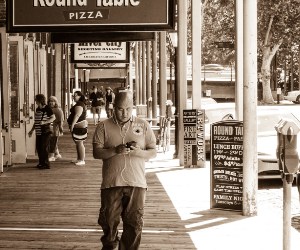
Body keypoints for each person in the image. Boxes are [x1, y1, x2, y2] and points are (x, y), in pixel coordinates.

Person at [93, 90, 157, 250]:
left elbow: (153, 151)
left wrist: (138, 152)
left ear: (133, 107)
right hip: (111, 182)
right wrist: (115, 150)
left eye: (128, 109)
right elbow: (96, 153)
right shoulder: (103, 126)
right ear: (113, 107)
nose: (124, 113)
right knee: (108, 221)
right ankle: (110, 246)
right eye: (121, 109)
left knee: (134, 223)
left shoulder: (143, 125)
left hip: (137, 183)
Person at [28, 94, 56, 169]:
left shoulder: (47, 108)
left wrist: (44, 122)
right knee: (39, 148)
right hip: (38, 131)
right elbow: (36, 121)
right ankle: (41, 162)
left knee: (44, 148)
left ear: (39, 100)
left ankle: (46, 164)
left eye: (36, 100)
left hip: (45, 131)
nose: (35, 101)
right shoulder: (38, 109)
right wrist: (31, 130)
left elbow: (53, 118)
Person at [67, 91, 88, 166]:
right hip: (78, 126)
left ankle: (82, 159)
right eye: (73, 95)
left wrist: (72, 125)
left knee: (79, 143)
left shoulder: (80, 104)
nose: (74, 97)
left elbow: (77, 115)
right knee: (78, 143)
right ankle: (79, 158)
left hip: (79, 126)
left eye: (75, 96)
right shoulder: (79, 104)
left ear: (80, 96)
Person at [48, 96, 64, 162]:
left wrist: (61, 129)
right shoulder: (50, 109)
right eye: (50, 101)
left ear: (56, 102)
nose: (51, 103)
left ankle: (51, 156)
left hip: (54, 128)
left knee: (52, 142)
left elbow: (60, 121)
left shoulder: (57, 110)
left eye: (53, 101)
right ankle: (57, 154)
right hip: (50, 128)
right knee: (53, 141)